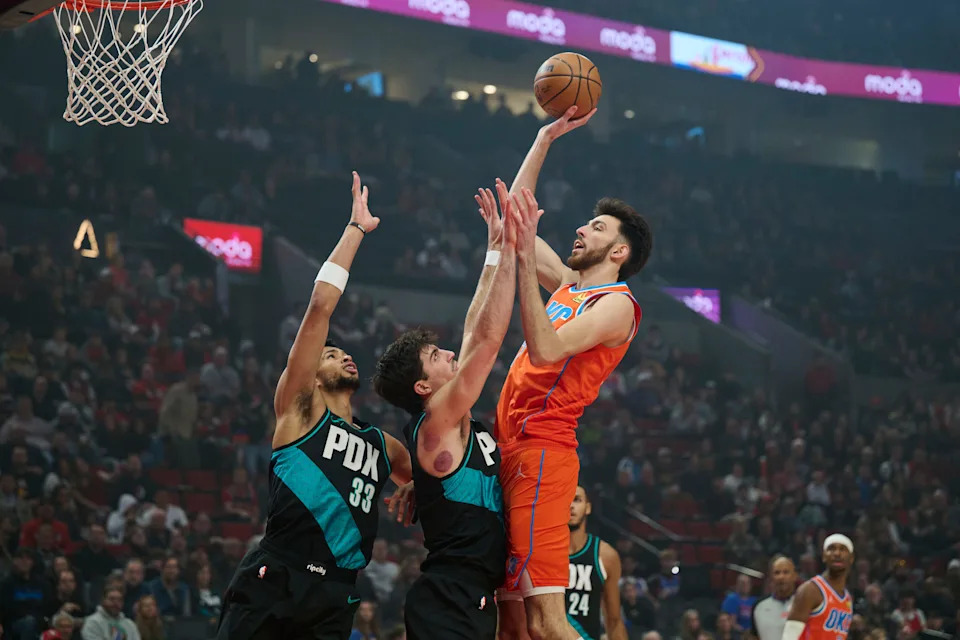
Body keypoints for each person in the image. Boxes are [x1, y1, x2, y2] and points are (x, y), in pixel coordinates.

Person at [218, 172, 413, 640]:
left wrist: (416, 489)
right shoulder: (299, 410)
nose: (343, 354)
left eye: (344, 353)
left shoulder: (383, 445)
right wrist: (356, 230)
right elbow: (320, 308)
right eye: (330, 353)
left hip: (336, 594)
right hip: (278, 573)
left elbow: (431, 477)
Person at [496, 106, 652, 640]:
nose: (583, 228)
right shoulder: (568, 283)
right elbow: (516, 224)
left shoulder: (617, 306)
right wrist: (542, 141)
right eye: (588, 221)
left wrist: (521, 273)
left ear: (619, 250)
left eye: (598, 227)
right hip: (510, 446)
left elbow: (545, 350)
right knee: (512, 618)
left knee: (546, 621)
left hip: (543, 453)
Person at [373, 182, 519, 639]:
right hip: (450, 598)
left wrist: (494, 250)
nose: (450, 354)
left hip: (471, 596)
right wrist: (515, 249)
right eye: (437, 357)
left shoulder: (456, 424)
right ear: (422, 386)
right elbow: (489, 341)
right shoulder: (435, 423)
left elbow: (476, 332)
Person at [565, 486, 627, 640]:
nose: (571, 505)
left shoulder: (606, 556)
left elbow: (613, 621)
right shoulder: (541, 552)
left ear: (588, 508)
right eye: (565, 500)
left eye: (577, 500)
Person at [781, 534, 854, 640]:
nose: (837, 553)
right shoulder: (810, 590)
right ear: (824, 556)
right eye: (831, 549)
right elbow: (789, 636)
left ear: (851, 558)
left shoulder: (848, 598)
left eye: (842, 549)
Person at [753, 556, 797, 640]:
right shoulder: (759, 607)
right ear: (771, 577)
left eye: (786, 572)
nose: (781, 577)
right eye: (777, 573)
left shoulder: (805, 604)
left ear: (794, 576)